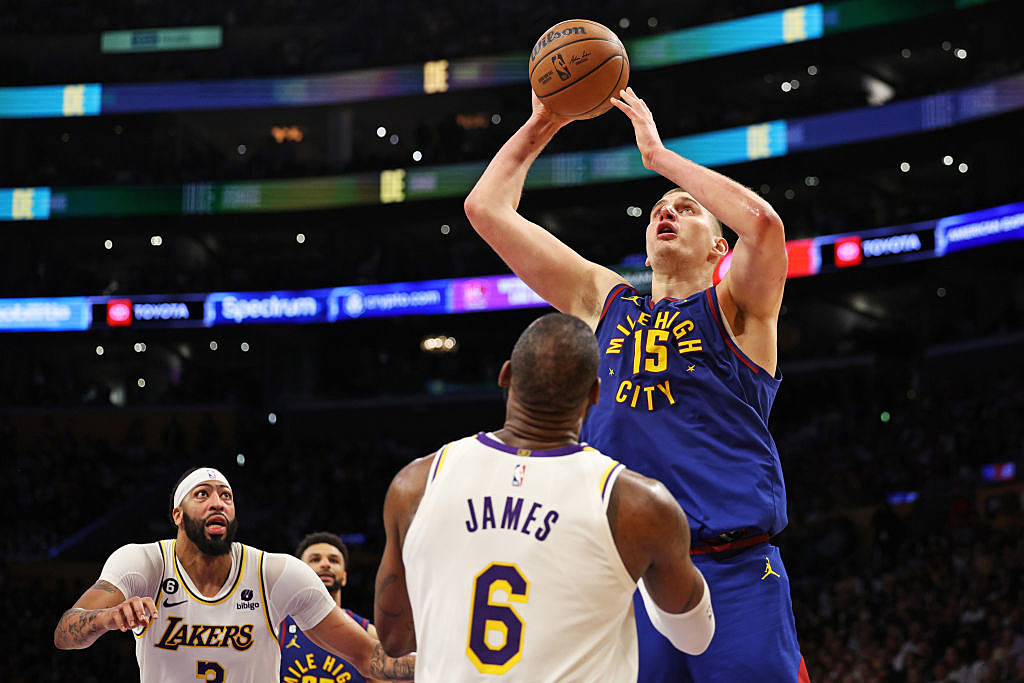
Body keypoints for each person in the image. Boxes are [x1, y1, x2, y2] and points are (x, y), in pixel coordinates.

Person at [463, 87, 805, 681]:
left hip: (733, 566)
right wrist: (545, 120)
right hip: (626, 575)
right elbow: (486, 209)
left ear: (719, 247)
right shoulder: (604, 301)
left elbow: (766, 227)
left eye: (687, 209)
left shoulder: (740, 310)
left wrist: (660, 157)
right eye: (657, 211)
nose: (665, 213)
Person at [373, 313, 714, 682]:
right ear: (595, 393)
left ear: (505, 376)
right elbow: (694, 638)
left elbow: (394, 639)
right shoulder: (639, 505)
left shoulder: (416, 484)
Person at [54, 467, 414, 683]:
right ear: (178, 515)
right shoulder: (143, 562)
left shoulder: (276, 573)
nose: (218, 502)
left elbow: (370, 657)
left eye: (226, 496)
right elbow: (66, 634)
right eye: (203, 494)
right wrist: (105, 618)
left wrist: (446, 661)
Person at [280, 532, 383, 683]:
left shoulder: (368, 632)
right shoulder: (277, 627)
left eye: (333, 560)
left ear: (345, 577)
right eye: (315, 559)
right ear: (298, 573)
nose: (325, 564)